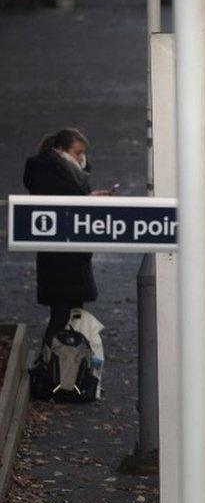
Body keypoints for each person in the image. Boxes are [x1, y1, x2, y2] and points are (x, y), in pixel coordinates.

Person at [22, 128, 113, 347]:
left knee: (73, 318)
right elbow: (57, 203)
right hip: (59, 258)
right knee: (61, 317)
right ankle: (48, 366)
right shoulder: (47, 171)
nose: (81, 158)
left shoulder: (71, 172)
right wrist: (87, 199)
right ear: (61, 150)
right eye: (77, 152)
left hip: (72, 258)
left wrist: (89, 199)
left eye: (83, 153)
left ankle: (65, 368)